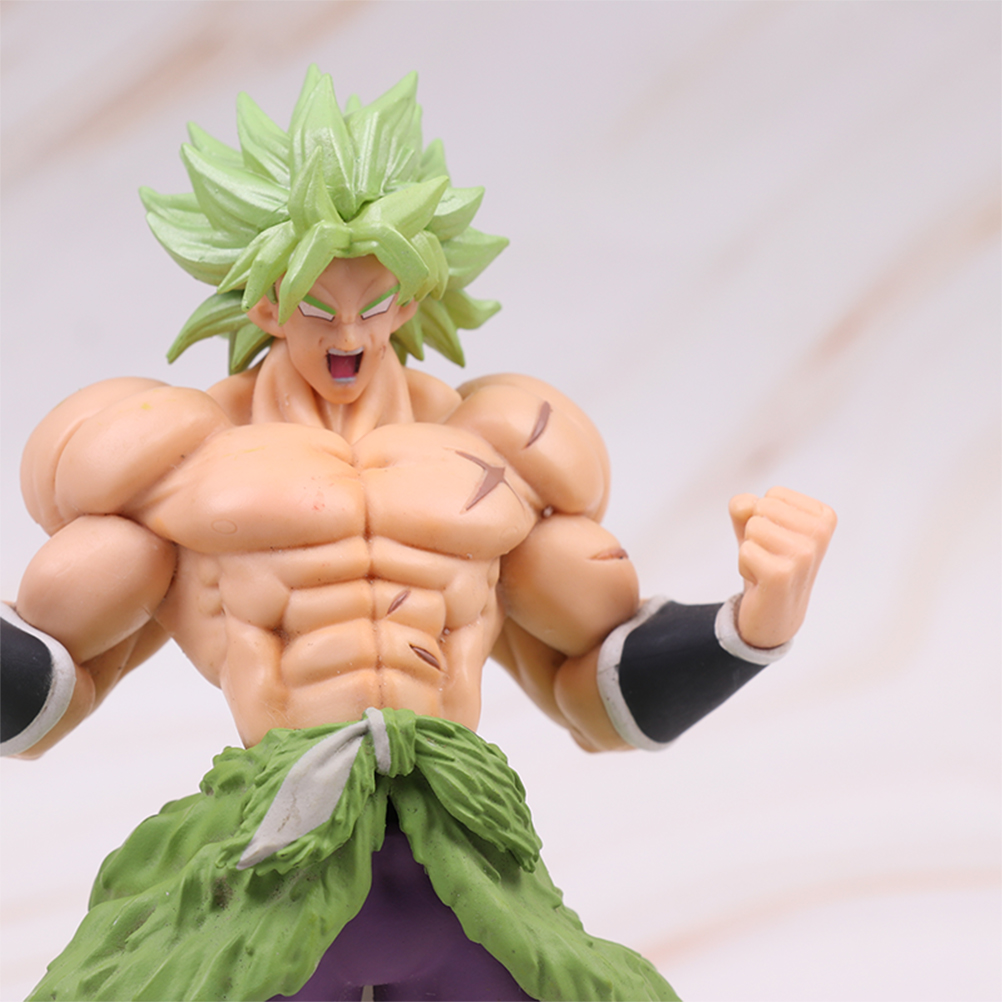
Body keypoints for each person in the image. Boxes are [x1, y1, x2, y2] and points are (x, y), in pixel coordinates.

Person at [1, 69, 835, 1002]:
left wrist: (750, 627)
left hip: (463, 850)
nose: (350, 335)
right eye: (317, 306)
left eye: (375, 302)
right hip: (277, 859)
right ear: (265, 303)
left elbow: (598, 686)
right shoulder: (177, 459)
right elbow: (46, 685)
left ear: (411, 294)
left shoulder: (504, 448)